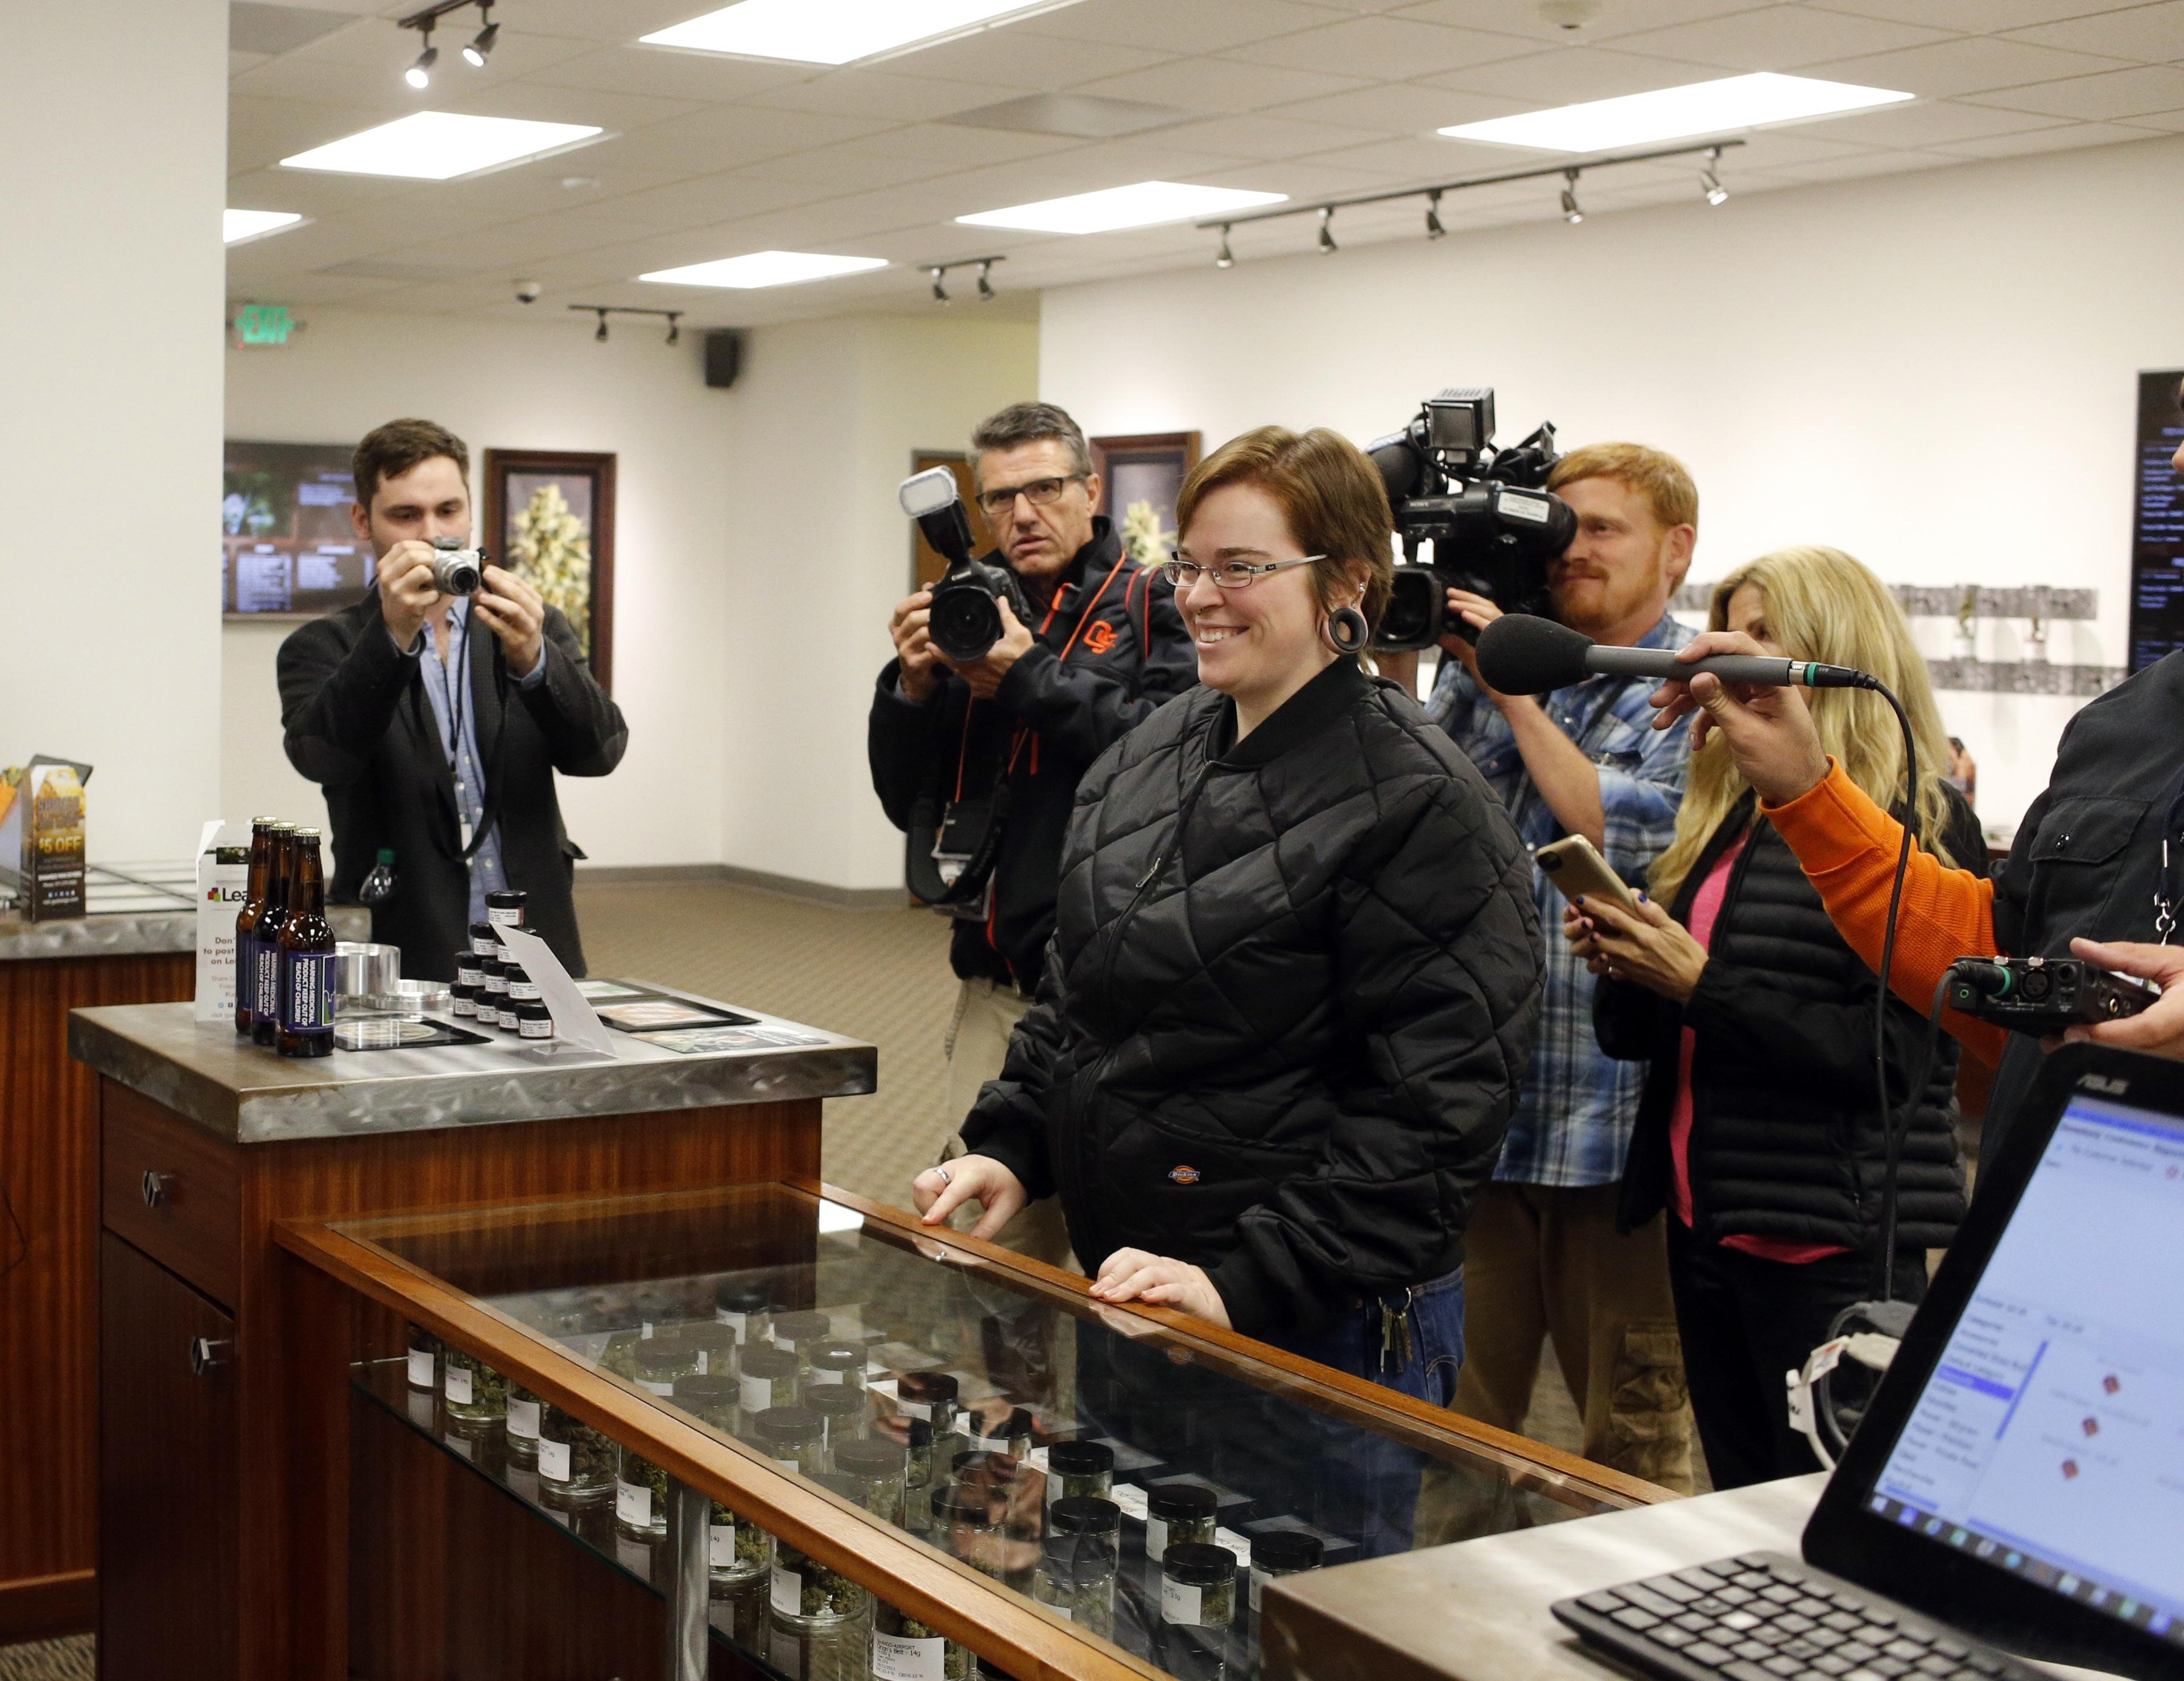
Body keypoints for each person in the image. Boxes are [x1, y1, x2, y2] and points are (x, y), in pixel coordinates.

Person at [913, 422, 1538, 1422]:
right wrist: (1014, 1143)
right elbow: (1083, 991)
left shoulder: (1421, 804)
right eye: (1190, 565)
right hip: (1145, 1287)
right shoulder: (1151, 749)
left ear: (1345, 583)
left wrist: (1242, 1283)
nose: (1199, 596)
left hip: (1310, 1323)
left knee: (1287, 1584)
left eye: (1240, 567)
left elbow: (1433, 1113)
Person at [1645, 376, 2184, 1155]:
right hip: (2053, 1219)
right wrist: (1805, 787)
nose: (2176, 462)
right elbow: (1996, 970)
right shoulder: (2122, 725)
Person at [1566, 548, 1979, 1488]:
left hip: (1826, 1244)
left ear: (1828, 653)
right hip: (1702, 1223)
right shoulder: (1724, 814)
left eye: (1759, 633)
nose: (1727, 654)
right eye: (1727, 626)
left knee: (1828, 1507)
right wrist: (1628, 965)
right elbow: (1637, 1038)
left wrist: (1698, 985)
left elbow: (1884, 1058)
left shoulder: (1917, 817)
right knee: (1739, 1501)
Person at [1423, 442, 1702, 1493]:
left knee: (1626, 1446)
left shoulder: (1688, 683)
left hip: (1612, 1134)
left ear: (1674, 548)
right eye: (1558, 530)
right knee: (1449, 1426)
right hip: (1485, 1122)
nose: (1570, 552)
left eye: (1600, 529)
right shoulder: (1494, 668)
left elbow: (1624, 835)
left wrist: (1513, 692)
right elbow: (1421, 808)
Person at [868, 401, 1194, 1262]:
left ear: (1091, 490)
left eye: (1043, 488)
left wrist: (1028, 679)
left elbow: (1168, 761)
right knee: (986, 1249)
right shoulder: (968, 610)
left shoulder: (1156, 606)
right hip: (998, 982)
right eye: (999, 497)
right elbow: (905, 799)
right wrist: (909, 690)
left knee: (1112, 1245)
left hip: (1117, 1000)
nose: (1021, 514)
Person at [279, 418, 627, 980]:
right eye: (406, 515)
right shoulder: (324, 645)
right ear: (363, 520)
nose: (433, 533)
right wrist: (390, 637)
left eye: (448, 511)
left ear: (470, 511)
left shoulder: (523, 625)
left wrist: (536, 661)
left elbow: (599, 753)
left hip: (531, 936)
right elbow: (324, 757)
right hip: (403, 943)